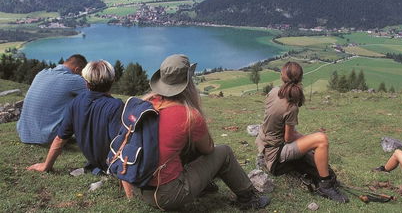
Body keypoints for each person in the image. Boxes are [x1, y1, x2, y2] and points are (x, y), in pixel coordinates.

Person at [134, 54, 270, 211]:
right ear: (188, 83)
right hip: (166, 196)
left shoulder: (144, 105)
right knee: (224, 152)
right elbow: (208, 149)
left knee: (184, 147)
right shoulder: (188, 115)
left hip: (139, 186)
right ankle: (248, 198)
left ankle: (203, 186)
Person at [255, 61, 348, 203]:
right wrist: (308, 142)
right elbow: (288, 137)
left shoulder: (273, 92)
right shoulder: (291, 106)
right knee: (321, 139)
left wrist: (306, 142)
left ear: (282, 77)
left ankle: (323, 178)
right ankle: (325, 185)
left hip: (264, 146)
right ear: (300, 79)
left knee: (313, 143)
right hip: (275, 156)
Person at [27, 60, 123, 174]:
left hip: (94, 161)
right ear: (113, 81)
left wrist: (46, 165)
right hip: (111, 165)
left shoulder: (76, 102)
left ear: (86, 83)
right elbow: (120, 144)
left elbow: (60, 139)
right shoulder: (116, 106)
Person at [17, 54, 88, 144]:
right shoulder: (74, 80)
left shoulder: (41, 73)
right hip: (48, 137)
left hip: (24, 135)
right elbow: (96, 95)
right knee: (84, 102)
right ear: (77, 69)